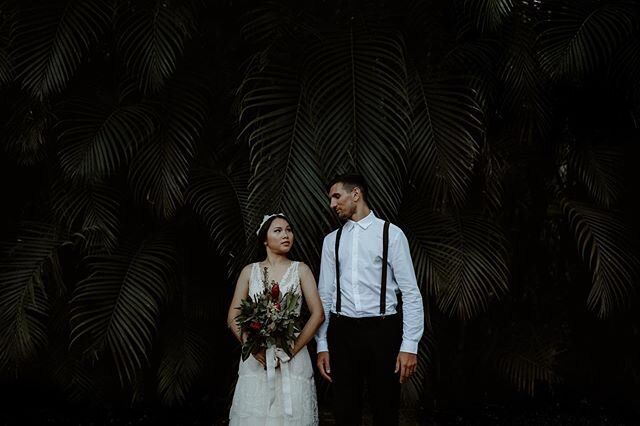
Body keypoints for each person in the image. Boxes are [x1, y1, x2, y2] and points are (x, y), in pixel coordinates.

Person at [315, 174, 424, 426]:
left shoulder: (391, 235)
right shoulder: (331, 241)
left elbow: (410, 292)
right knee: (345, 410)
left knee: (385, 408)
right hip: (342, 333)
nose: (332, 204)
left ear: (356, 194)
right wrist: (323, 343)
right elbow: (325, 295)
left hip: (383, 331)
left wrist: (409, 345)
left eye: (336, 196)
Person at [227, 213, 324, 426]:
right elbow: (232, 317)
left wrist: (291, 350)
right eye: (278, 231)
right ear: (264, 239)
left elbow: (318, 314)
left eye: (289, 230)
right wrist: (252, 348)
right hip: (257, 359)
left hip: (293, 356)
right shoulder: (248, 272)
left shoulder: (301, 269)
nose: (286, 235)